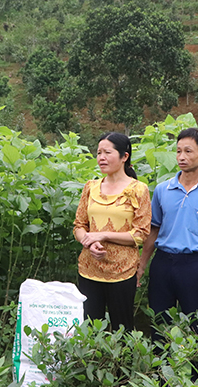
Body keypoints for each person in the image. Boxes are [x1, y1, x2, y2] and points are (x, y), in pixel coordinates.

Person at [137, 127, 198, 342]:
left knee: (197, 328)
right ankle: (159, 374)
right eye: (178, 151)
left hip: (193, 266)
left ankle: (197, 374)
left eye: (188, 151)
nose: (181, 157)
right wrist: (142, 265)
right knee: (159, 326)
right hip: (162, 264)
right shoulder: (162, 190)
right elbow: (154, 230)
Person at [73, 132, 152, 331]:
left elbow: (141, 234)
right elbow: (79, 226)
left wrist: (104, 235)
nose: (101, 157)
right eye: (99, 153)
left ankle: (122, 363)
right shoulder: (90, 187)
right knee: (89, 328)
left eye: (107, 152)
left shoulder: (139, 190)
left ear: (124, 157)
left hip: (122, 272)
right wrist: (90, 242)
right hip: (89, 270)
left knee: (122, 329)